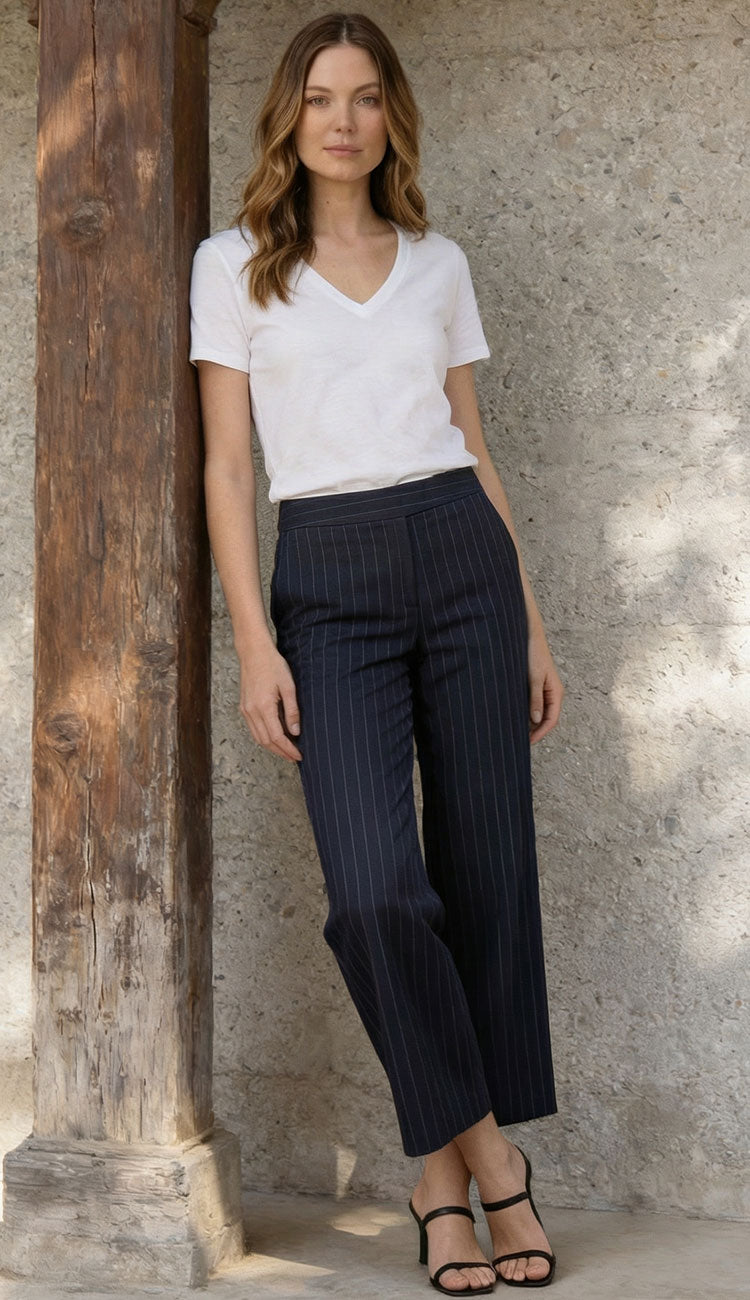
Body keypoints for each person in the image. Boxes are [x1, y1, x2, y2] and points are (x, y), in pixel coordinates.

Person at [189, 12, 564, 1293]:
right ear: (287, 117)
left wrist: (531, 620)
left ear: (391, 116)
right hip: (329, 581)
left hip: (461, 555)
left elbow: (474, 442)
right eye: (317, 97)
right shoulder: (233, 265)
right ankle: (485, 1151)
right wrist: (255, 639)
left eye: (363, 97)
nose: (340, 119)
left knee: (484, 871)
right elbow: (230, 467)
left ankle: (442, 1195)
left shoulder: (437, 262)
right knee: (378, 894)